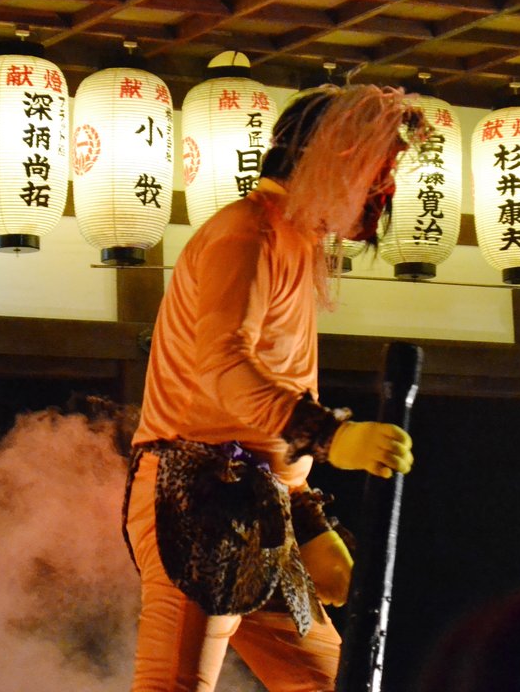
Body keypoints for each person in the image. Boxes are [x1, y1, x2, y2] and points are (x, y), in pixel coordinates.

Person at [122, 84, 424, 692]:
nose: (385, 191)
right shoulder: (247, 234)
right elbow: (224, 372)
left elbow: (261, 415)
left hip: (258, 502)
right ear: (330, 161)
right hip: (196, 495)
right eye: (376, 170)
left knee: (335, 684)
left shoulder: (291, 241)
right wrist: (332, 437)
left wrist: (307, 518)